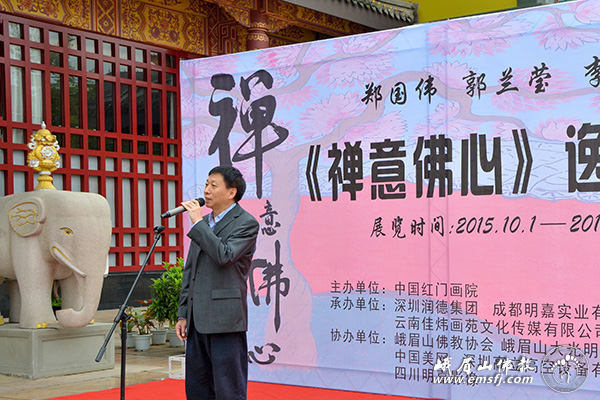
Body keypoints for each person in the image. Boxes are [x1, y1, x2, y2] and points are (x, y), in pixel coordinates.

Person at [176, 165, 259, 400]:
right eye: (206, 184)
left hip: (225, 319)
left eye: (214, 185)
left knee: (228, 387)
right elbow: (190, 271)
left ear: (231, 192)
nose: (206, 191)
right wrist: (183, 313)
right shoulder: (203, 223)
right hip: (197, 320)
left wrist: (197, 224)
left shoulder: (246, 223)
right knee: (198, 387)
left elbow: (224, 256)